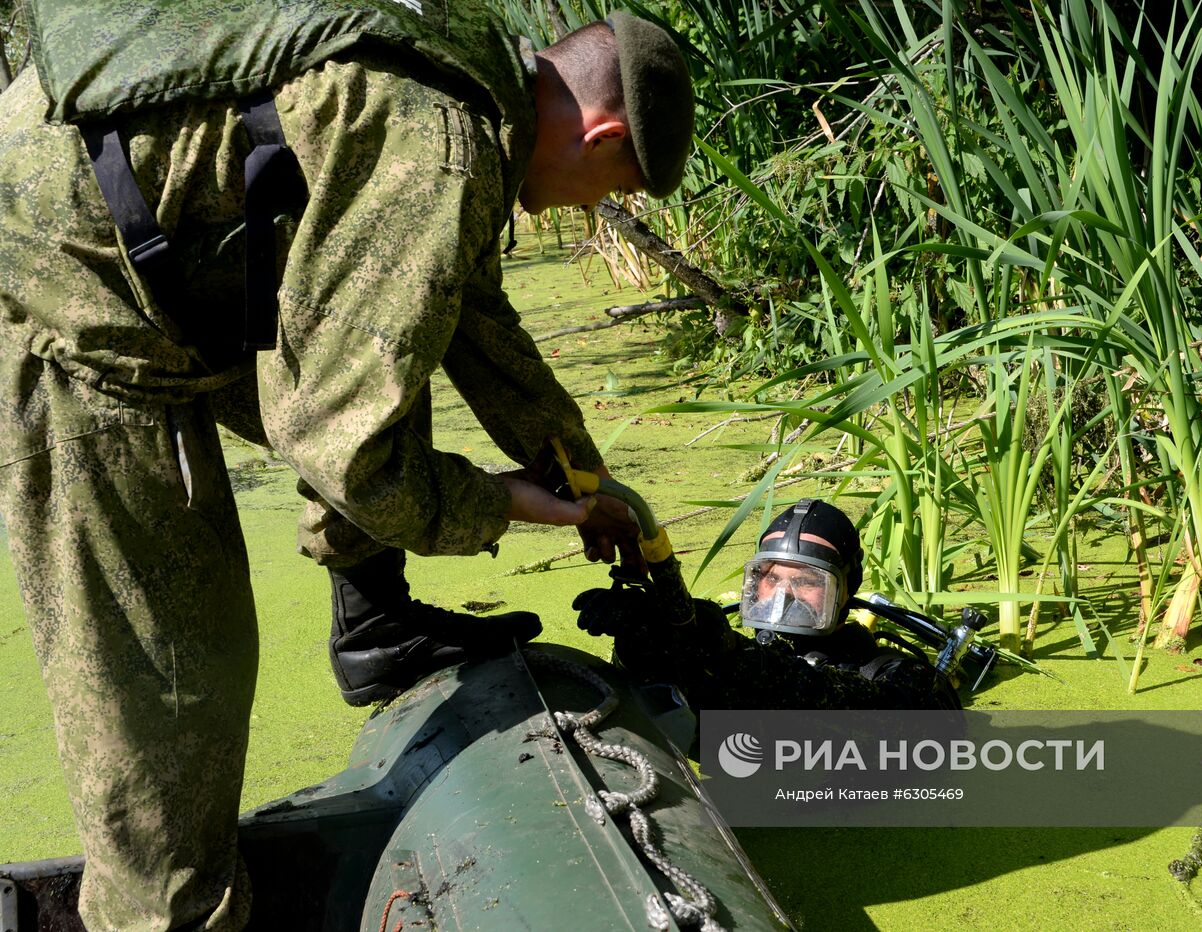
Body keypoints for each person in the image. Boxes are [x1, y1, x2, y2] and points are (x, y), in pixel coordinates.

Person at [0, 2, 694, 929]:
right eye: (613, 188)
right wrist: (515, 508)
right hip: (68, 290)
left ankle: (374, 623)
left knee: (380, 360)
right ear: (602, 133)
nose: (596, 210)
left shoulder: (479, 73)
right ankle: (157, 913)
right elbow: (348, 450)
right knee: (174, 684)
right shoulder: (438, 146)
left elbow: (467, 312)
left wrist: (584, 474)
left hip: (170, 254)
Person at [575, 499, 966, 711]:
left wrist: (728, 653)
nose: (784, 594)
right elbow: (670, 702)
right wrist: (642, 644)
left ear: (846, 588)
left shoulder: (904, 681)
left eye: (807, 581)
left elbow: (837, 708)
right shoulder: (728, 656)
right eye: (771, 578)